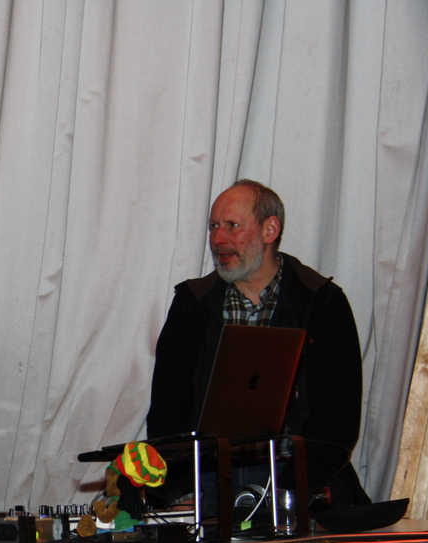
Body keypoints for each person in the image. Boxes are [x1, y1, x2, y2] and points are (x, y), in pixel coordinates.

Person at [146, 179, 368, 511]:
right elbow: (167, 413)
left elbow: (338, 421)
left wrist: (295, 493)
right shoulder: (192, 305)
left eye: (231, 226)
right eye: (213, 227)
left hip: (296, 485)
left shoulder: (322, 303)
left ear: (270, 230)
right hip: (208, 485)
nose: (218, 239)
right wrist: (180, 491)